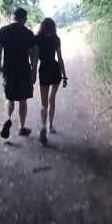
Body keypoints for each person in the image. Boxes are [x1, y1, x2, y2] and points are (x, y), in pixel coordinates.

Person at [0, 7, 39, 138]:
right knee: (22, 99)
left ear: (13, 17)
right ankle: (22, 127)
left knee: (10, 98)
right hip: (24, 69)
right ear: (24, 19)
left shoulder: (3, 30)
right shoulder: (28, 33)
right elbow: (33, 56)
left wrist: (0, 65)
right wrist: (33, 72)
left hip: (9, 69)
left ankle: (8, 118)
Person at [35, 17, 67, 145]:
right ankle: (51, 125)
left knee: (44, 103)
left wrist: (33, 74)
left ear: (42, 27)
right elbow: (60, 58)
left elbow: (35, 58)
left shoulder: (37, 39)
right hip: (55, 69)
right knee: (52, 99)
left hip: (44, 69)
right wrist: (64, 75)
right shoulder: (56, 39)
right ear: (53, 27)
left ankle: (43, 125)